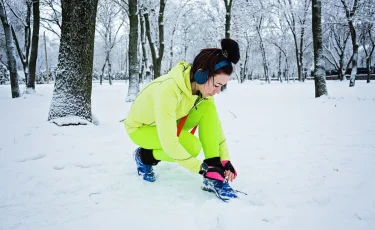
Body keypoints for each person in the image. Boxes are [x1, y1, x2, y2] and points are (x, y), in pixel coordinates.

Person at [123, 38, 240, 200]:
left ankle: (214, 175)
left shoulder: (202, 91)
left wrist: (224, 160)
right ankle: (143, 156)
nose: (217, 91)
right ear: (201, 74)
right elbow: (170, 143)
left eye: (221, 86)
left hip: (169, 121)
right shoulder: (169, 90)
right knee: (190, 146)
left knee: (208, 108)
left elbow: (215, 128)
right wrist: (202, 169)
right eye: (216, 84)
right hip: (141, 128)